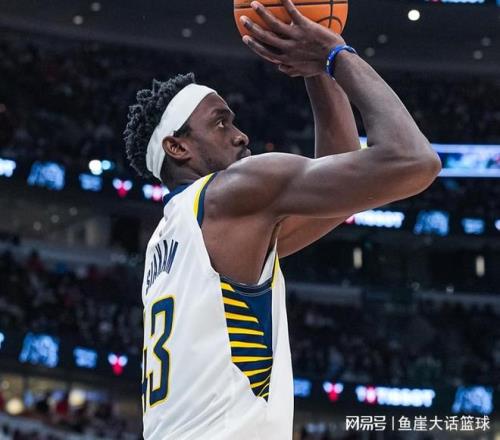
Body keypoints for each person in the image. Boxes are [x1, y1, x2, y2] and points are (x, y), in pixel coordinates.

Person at [123, 0, 441, 438]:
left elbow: (339, 190)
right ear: (178, 147)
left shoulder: (173, 234)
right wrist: (334, 54)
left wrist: (315, 72)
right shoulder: (233, 193)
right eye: (220, 124)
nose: (241, 135)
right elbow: (414, 160)